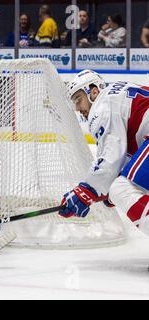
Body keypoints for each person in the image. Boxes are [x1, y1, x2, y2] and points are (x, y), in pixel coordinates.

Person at [60, 70, 149, 235]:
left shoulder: (101, 105)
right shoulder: (116, 96)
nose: (78, 108)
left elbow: (110, 158)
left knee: (120, 188)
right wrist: (104, 189)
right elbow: (125, 159)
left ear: (94, 91)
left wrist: (86, 190)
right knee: (126, 187)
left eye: (78, 100)